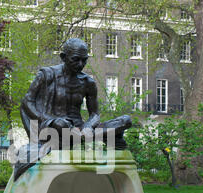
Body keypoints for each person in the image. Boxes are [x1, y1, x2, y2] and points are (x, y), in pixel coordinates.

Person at [14, 38, 132, 180]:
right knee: (61, 124)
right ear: (64, 57)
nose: (80, 64)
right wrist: (48, 119)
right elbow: (27, 102)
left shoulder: (88, 82)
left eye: (84, 60)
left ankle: (80, 138)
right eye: (76, 59)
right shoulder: (47, 75)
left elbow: (95, 114)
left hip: (80, 130)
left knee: (126, 121)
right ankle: (77, 137)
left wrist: (87, 127)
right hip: (53, 126)